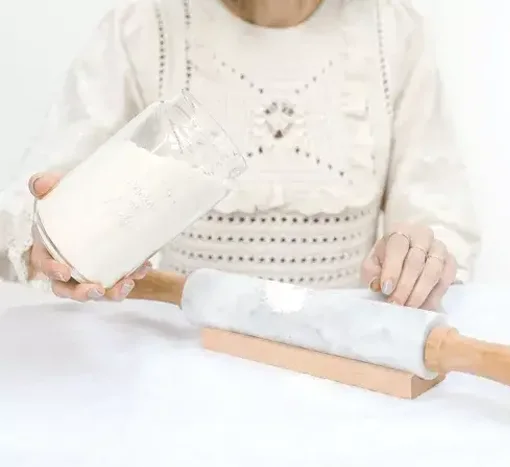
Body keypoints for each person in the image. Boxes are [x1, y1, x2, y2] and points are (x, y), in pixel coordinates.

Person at [0, 0, 479, 308]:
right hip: (178, 356)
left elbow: (439, 218)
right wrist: (43, 246)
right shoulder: (146, 26)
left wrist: (421, 256)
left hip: (341, 365)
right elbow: (30, 207)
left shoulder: (394, 32)